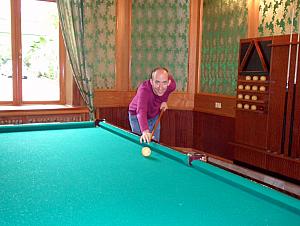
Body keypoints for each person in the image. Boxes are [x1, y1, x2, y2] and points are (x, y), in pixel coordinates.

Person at [128, 67, 176, 143]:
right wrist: (145, 131)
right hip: (136, 116)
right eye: (157, 82)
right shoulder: (144, 90)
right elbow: (141, 111)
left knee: (155, 143)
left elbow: (166, 92)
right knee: (140, 143)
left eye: (164, 82)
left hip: (154, 115)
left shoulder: (171, 86)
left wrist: (164, 101)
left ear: (168, 82)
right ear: (151, 82)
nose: (160, 87)